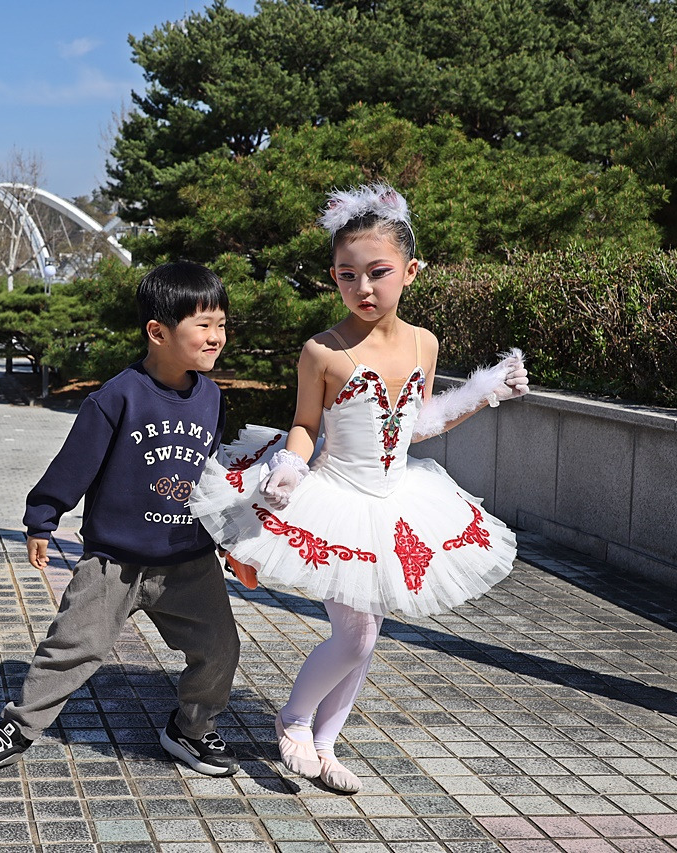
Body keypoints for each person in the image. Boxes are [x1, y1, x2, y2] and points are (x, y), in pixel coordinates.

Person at [190, 183, 529, 794]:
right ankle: (295, 721)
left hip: (399, 502)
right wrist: (289, 468)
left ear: (410, 271)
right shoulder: (322, 350)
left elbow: (417, 424)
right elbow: (304, 425)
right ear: (334, 277)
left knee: (364, 636)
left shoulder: (424, 342)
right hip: (335, 497)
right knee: (358, 634)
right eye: (348, 275)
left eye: (378, 272)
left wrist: (485, 394)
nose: (363, 288)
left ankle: (325, 744)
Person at [0, 260, 242, 780]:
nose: (216, 336)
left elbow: (213, 475)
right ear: (158, 332)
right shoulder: (117, 397)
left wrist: (235, 538)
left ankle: (192, 729)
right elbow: (75, 464)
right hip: (114, 563)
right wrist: (42, 519)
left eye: (221, 324)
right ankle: (16, 729)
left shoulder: (212, 397)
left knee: (220, 648)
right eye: (203, 324)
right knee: (71, 649)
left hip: (189, 562)